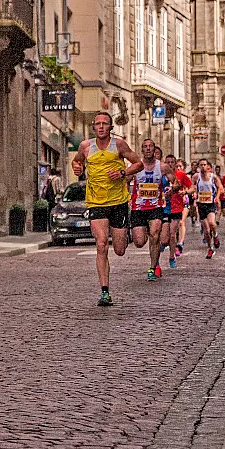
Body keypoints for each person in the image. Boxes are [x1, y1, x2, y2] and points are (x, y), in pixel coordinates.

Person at [71, 112, 143, 306]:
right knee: (101, 244)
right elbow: (77, 161)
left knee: (119, 249)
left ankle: (123, 235)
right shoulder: (86, 146)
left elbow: (138, 164)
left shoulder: (118, 145)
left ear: (111, 127)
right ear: (93, 127)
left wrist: (122, 172)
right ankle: (105, 292)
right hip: (96, 202)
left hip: (118, 202)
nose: (101, 127)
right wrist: (77, 168)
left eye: (105, 124)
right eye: (98, 124)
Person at [129, 139, 174, 281]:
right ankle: (150, 241)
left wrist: (171, 189)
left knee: (155, 236)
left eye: (151, 146)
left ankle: (152, 268)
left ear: (154, 149)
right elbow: (124, 181)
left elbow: (176, 183)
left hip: (156, 207)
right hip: (138, 208)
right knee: (139, 242)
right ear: (142, 150)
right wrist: (127, 197)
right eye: (145, 147)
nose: (148, 149)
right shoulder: (135, 166)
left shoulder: (163, 167)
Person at [163, 154, 194, 267]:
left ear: (175, 164)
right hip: (163, 208)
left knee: (172, 234)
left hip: (176, 208)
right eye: (168, 162)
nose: (170, 164)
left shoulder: (180, 174)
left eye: (172, 162)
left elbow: (192, 188)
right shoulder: (161, 174)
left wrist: (185, 192)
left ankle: (172, 257)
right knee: (163, 236)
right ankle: (164, 244)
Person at [193, 159, 223, 259]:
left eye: (204, 165)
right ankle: (210, 249)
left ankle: (215, 235)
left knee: (212, 224)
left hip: (210, 204)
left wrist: (217, 197)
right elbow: (194, 187)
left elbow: (220, 187)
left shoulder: (213, 177)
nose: (203, 167)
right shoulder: (196, 177)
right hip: (201, 204)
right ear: (198, 166)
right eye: (201, 165)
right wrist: (194, 194)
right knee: (206, 231)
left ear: (207, 166)